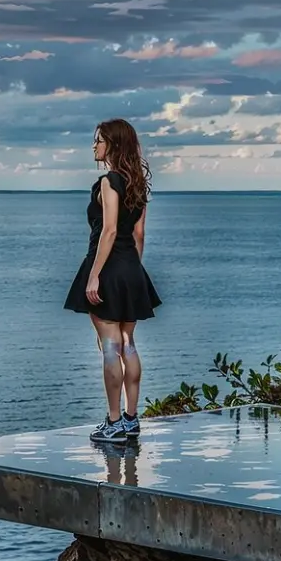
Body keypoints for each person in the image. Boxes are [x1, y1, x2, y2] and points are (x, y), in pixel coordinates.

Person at [64, 119, 161, 444]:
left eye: (99, 141)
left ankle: (114, 421)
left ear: (114, 145)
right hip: (132, 269)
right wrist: (133, 271)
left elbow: (107, 231)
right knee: (128, 344)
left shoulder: (109, 181)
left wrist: (94, 276)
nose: (95, 146)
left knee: (109, 347)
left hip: (107, 268)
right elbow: (139, 234)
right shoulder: (137, 184)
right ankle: (132, 419)